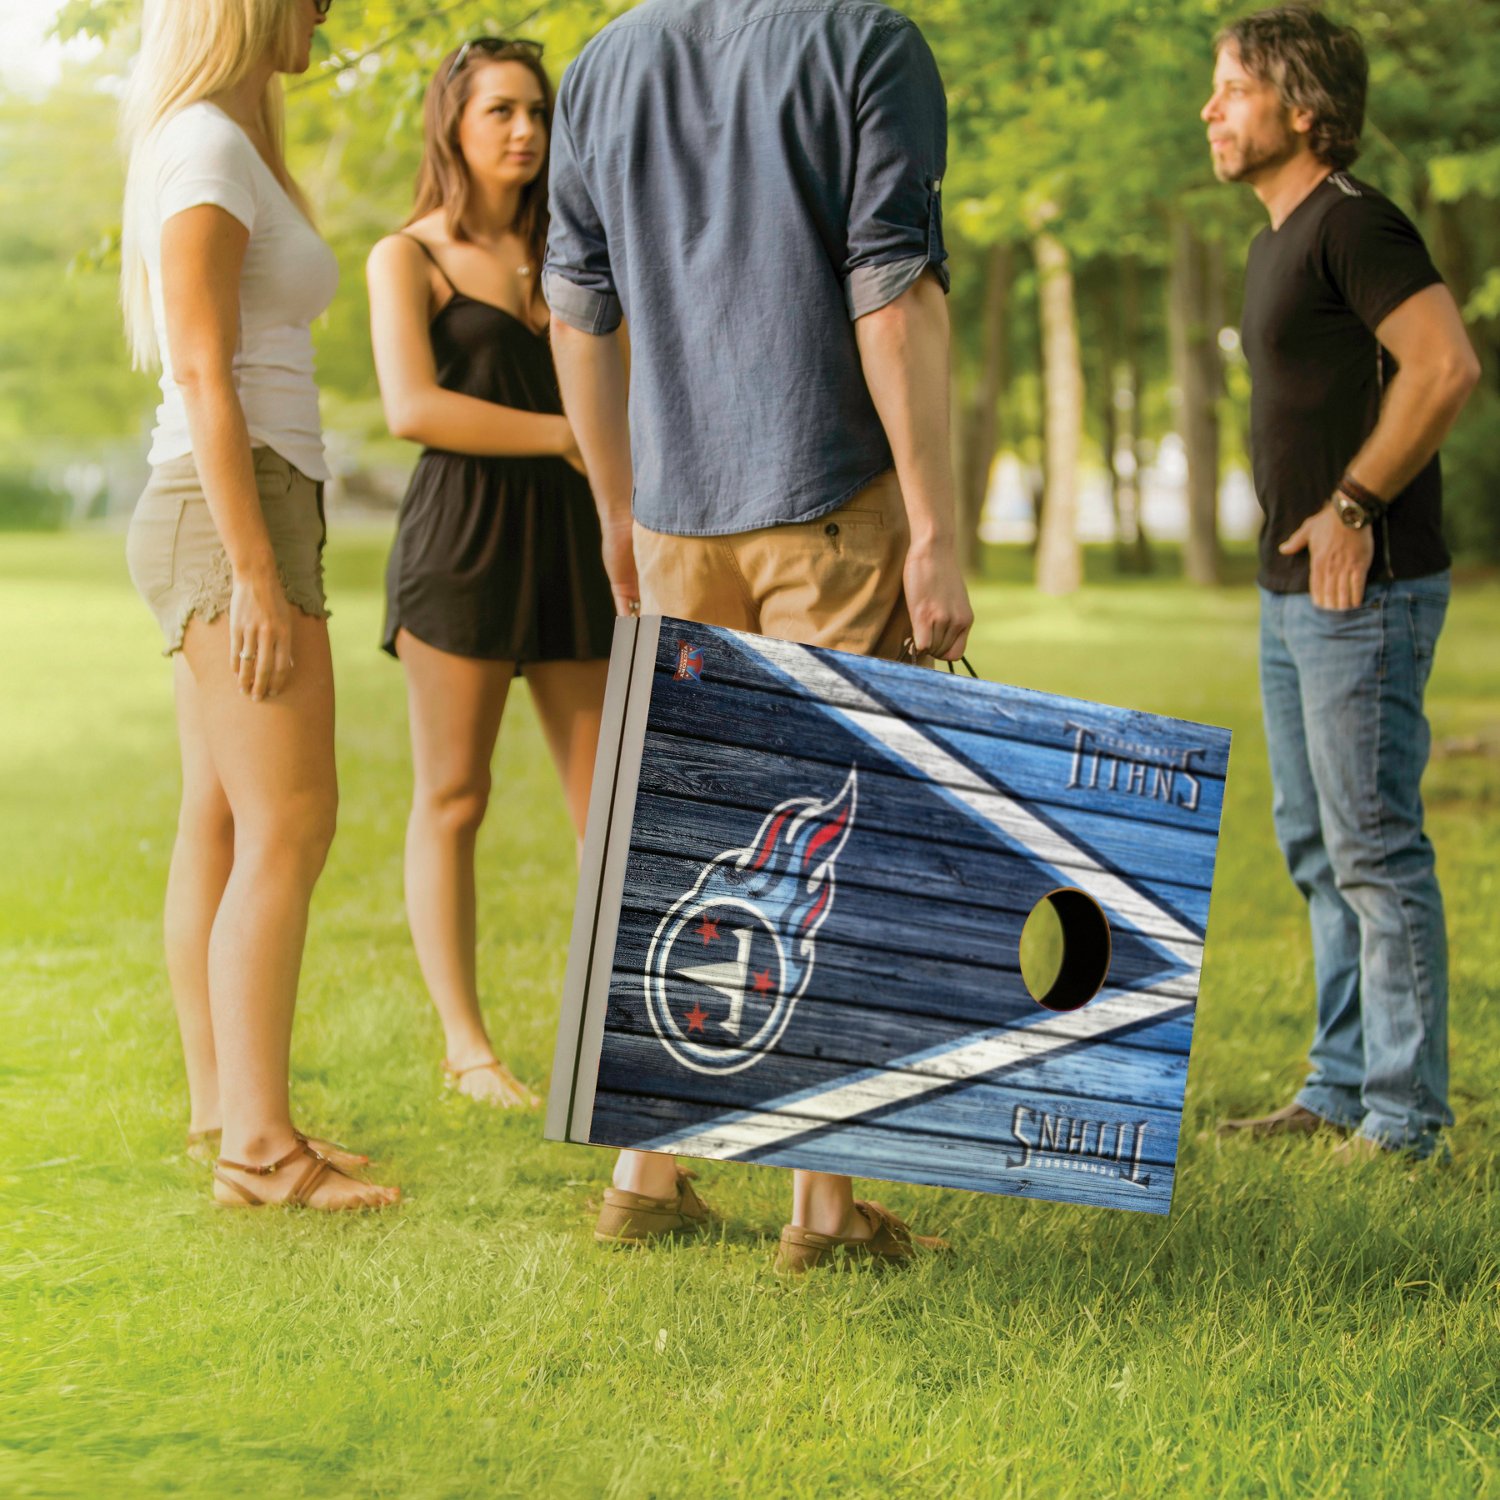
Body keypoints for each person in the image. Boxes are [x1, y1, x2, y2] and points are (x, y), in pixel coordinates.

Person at [546, 0, 973, 1268]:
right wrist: (938, 525)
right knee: (839, 820)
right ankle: (822, 1215)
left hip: (676, 513)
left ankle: (645, 1177)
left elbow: (577, 307)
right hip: (827, 496)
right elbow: (890, 286)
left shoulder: (604, 63)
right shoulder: (867, 41)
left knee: (686, 825)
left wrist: (616, 510)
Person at [119, 0, 398, 1207]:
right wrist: (254, 572)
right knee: (291, 822)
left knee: (224, 825)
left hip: (241, 499)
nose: (327, 7)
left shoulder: (223, 140)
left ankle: (225, 1119)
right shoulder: (204, 148)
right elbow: (198, 366)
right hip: (230, 508)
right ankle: (259, 1154)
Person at [1203, 8, 1479, 1159]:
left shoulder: (1355, 226)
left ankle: (1405, 1120)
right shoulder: (1279, 236)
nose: (1210, 111)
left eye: (1232, 89)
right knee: (1317, 846)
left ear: (1304, 110)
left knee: (1373, 849)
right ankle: (1337, 1086)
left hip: (1363, 591)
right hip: (1292, 594)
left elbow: (1446, 364)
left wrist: (1354, 508)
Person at [366, 40, 614, 1107]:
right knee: (455, 797)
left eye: (537, 112)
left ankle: (621, 1040)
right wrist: (565, 432)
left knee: (610, 809)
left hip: (576, 540)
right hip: (460, 544)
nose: (524, 130)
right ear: (453, 127)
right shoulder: (406, 256)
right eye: (499, 111)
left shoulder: (579, 252)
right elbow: (412, 409)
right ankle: (467, 1050)